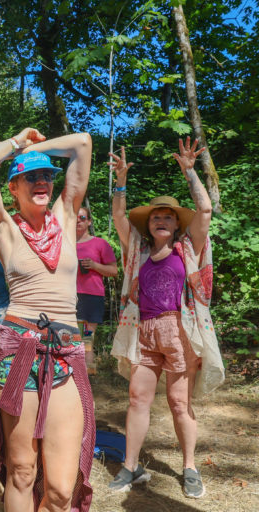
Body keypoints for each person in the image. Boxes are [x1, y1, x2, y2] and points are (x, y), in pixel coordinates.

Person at [0, 129, 94, 512]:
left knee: (60, 490)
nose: (41, 182)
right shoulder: (4, 228)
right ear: (13, 187)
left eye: (46, 175)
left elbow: (83, 143)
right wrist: (17, 143)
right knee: (23, 471)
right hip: (18, 353)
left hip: (65, 353)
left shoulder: (65, 216)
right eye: (30, 176)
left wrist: (35, 149)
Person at [108, 139, 224, 498]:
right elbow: (118, 217)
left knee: (178, 403)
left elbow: (205, 210)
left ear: (176, 225)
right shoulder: (137, 250)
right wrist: (121, 182)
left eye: (168, 216)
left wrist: (190, 170)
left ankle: (189, 468)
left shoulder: (187, 247)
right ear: (149, 225)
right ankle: (130, 466)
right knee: (137, 399)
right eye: (156, 217)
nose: (161, 220)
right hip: (142, 330)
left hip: (179, 330)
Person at [75, 207, 117, 334]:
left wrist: (94, 266)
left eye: (82, 217)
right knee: (66, 337)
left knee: (86, 338)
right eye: (75, 217)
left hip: (91, 297)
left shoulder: (100, 244)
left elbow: (114, 271)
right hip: (66, 295)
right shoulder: (63, 243)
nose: (78, 220)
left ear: (89, 221)